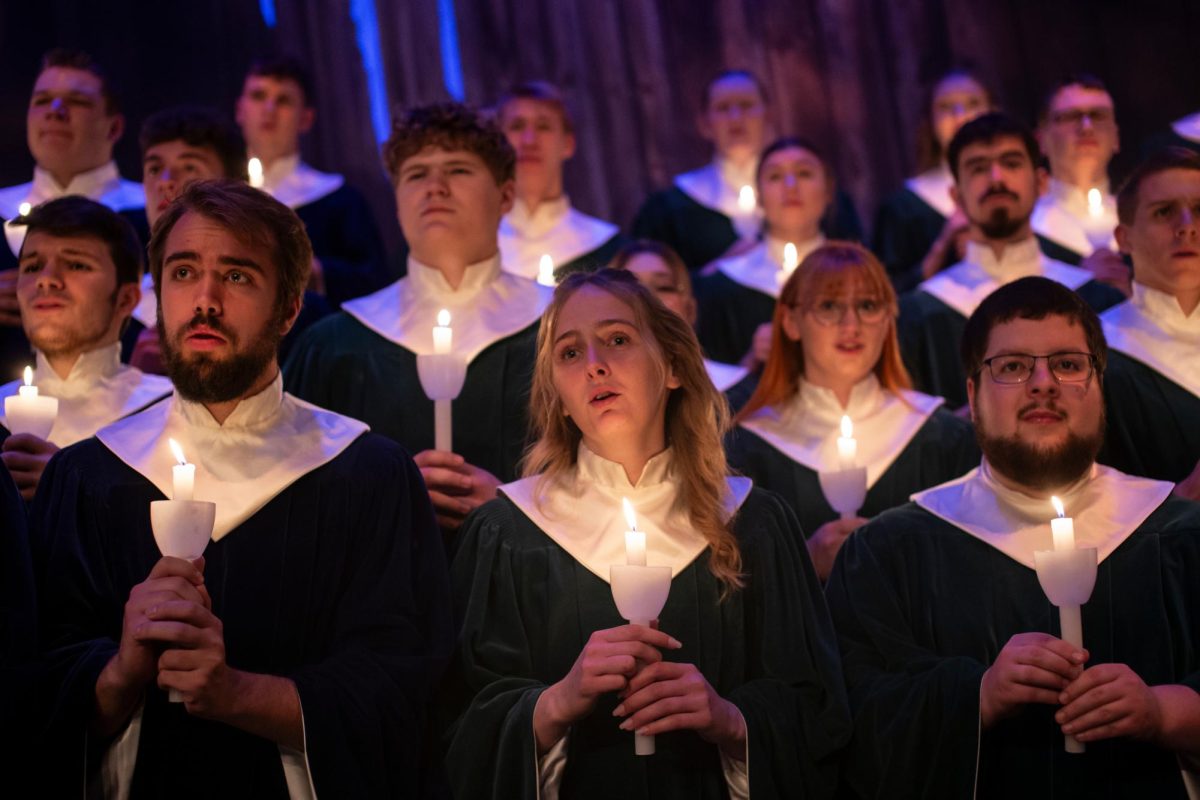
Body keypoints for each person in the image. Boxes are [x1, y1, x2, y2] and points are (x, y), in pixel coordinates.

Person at [30, 180, 452, 797]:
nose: (204, 300)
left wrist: (235, 694)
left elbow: (402, 688)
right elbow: (36, 686)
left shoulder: (366, 473)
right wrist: (121, 670)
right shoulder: (87, 477)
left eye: (236, 277)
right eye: (182, 272)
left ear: (288, 309)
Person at [442, 268, 850, 799]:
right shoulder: (507, 533)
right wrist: (557, 702)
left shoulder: (755, 523)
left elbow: (819, 714)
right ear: (559, 398)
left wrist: (730, 720)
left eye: (617, 339)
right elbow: (454, 728)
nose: (595, 366)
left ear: (674, 367)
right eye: (570, 353)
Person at [826, 276, 1200, 798]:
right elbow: (852, 722)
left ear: (1099, 386)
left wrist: (1163, 712)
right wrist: (976, 696)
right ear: (973, 394)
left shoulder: (1181, 535)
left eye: (1068, 364)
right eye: (1014, 367)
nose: (1043, 382)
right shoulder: (890, 552)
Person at [285, 103, 550, 532]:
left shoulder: (564, 329)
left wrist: (519, 506)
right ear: (396, 204)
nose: (435, 187)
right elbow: (294, 498)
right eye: (416, 174)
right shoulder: (334, 345)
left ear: (505, 195)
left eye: (458, 170)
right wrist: (389, 497)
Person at [727, 243, 979, 580]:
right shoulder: (744, 450)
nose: (851, 325)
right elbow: (731, 588)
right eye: (829, 306)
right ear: (790, 322)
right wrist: (804, 561)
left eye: (868, 306)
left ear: (889, 318)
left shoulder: (945, 438)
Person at [897, 112, 1124, 408]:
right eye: (978, 168)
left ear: (1042, 183)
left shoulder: (1096, 298)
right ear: (956, 196)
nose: (996, 179)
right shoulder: (920, 314)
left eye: (1011, 163)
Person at [0, 197, 171, 500]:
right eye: (32, 266)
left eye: (76, 264)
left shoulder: (169, 412)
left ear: (126, 299)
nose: (46, 280)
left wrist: (71, 488)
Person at [0, 48, 146, 379]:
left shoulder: (151, 218)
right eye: (42, 100)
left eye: (76, 102)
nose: (55, 111)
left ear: (114, 127)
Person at [631, 70, 861, 271]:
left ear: (769, 115)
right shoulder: (670, 209)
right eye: (723, 108)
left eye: (746, 106)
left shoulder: (821, 198)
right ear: (704, 124)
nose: (736, 118)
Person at [236, 55, 389, 306]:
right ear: (240, 110)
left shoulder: (339, 200)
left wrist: (316, 272)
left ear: (306, 118)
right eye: (258, 96)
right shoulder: (216, 197)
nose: (269, 109)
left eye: (283, 100)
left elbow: (374, 281)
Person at [1098, 146, 1200, 495]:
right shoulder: (1094, 351)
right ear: (1123, 238)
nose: (1187, 227)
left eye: (1199, 211)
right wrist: (1181, 499)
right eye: (1164, 212)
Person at [693, 136, 836, 367]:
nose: (791, 186)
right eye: (775, 176)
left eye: (804, 174)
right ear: (759, 196)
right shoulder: (723, 288)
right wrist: (752, 361)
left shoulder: (859, 278)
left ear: (828, 190)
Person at [127, 105, 249, 370]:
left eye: (190, 167)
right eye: (155, 169)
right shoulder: (119, 311)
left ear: (235, 184)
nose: (166, 182)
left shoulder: (265, 307)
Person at [873, 68, 992, 291]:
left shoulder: (1022, 190)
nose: (960, 115)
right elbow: (890, 291)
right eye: (946, 107)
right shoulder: (904, 207)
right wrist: (944, 242)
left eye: (973, 103)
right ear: (930, 121)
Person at [495, 81, 625, 280]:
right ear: (499, 142)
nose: (529, 140)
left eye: (543, 126)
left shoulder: (608, 249)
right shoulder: (474, 252)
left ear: (568, 144)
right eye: (517, 126)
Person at [610, 239, 751, 398]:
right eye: (631, 288)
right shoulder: (600, 389)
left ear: (690, 309)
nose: (646, 297)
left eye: (663, 287)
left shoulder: (738, 391)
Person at [1032, 74, 1130, 293]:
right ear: (1041, 139)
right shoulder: (1028, 229)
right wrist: (1080, 282)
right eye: (1070, 116)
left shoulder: (1140, 223)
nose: (1086, 127)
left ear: (1116, 137)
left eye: (1098, 115)